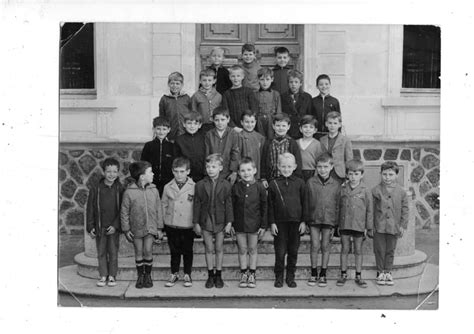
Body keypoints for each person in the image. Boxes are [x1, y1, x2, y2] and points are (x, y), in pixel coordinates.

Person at [121, 161, 164, 289]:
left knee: (148, 250)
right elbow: (124, 212)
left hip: (151, 228)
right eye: (150, 172)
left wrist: (160, 228)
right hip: (136, 229)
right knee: (139, 251)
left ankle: (148, 276)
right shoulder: (129, 192)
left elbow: (159, 209)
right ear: (142, 176)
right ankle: (140, 276)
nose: (153, 173)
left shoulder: (154, 190)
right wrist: (126, 229)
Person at [193, 154, 234, 288]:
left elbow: (229, 204)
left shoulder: (226, 184)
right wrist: (196, 222)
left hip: (220, 220)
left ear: (220, 168)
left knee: (219, 248)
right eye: (208, 167)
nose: (210, 169)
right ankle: (210, 275)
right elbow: (197, 204)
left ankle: (219, 275)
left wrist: (229, 222)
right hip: (206, 220)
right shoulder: (200, 185)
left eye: (214, 167)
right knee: (209, 248)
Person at [268, 153, 306, 288]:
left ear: (295, 166)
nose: (286, 169)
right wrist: (272, 222)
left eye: (289, 166)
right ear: (278, 167)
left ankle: (290, 277)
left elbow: (304, 202)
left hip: (295, 223)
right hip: (280, 224)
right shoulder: (273, 184)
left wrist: (303, 221)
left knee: (293, 251)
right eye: (283, 166)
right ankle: (279, 276)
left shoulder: (300, 183)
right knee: (280, 251)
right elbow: (270, 205)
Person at [86, 158, 124, 287]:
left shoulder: (120, 189)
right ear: (104, 172)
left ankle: (112, 275)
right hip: (100, 226)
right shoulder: (96, 188)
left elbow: (122, 210)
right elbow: (90, 208)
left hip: (113, 227)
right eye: (109, 171)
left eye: (114, 171)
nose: (111, 174)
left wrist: (116, 225)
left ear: (118, 172)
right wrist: (90, 226)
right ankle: (103, 275)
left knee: (113, 252)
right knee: (101, 251)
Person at [304, 153, 341, 287]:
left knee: (325, 246)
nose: (322, 170)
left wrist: (336, 224)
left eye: (325, 166)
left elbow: (338, 205)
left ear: (331, 167)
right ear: (316, 167)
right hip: (314, 219)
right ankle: (314, 273)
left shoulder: (336, 185)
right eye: (319, 167)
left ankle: (323, 273)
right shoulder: (310, 182)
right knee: (315, 245)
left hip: (329, 220)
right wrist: (306, 220)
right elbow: (306, 202)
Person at [230, 157, 267, 288]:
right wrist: (231, 223)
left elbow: (264, 207)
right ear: (239, 172)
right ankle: (243, 273)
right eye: (243, 170)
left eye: (249, 170)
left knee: (252, 249)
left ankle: (252, 273)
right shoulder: (235, 188)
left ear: (255, 170)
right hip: (239, 224)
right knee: (242, 249)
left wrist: (263, 225)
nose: (246, 173)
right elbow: (231, 207)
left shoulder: (260, 187)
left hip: (254, 224)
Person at [337, 159, 373, 288]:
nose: (353, 177)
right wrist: (337, 225)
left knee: (358, 250)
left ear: (362, 175)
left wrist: (368, 227)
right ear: (346, 174)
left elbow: (369, 209)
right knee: (345, 249)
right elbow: (338, 207)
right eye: (351, 174)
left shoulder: (365, 190)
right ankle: (343, 274)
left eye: (356, 174)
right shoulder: (342, 188)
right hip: (345, 223)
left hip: (359, 224)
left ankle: (358, 275)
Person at [372, 161, 409, 286]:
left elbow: (405, 209)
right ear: (380, 174)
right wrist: (371, 225)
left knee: (390, 250)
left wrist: (403, 225)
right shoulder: (376, 190)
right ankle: (380, 272)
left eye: (391, 174)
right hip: (379, 226)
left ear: (396, 175)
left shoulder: (401, 192)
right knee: (379, 250)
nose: (387, 177)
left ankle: (388, 271)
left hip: (394, 226)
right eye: (385, 174)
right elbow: (371, 209)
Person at [161, 157, 196, 288]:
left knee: (187, 250)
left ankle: (187, 273)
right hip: (172, 224)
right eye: (176, 171)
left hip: (187, 224)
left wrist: (196, 222)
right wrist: (162, 224)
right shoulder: (167, 187)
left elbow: (196, 206)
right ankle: (174, 273)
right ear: (172, 171)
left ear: (188, 171)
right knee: (174, 250)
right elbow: (163, 205)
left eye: (182, 171)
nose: (179, 174)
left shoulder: (194, 186)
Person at [261, 113, 303, 186]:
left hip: (289, 178)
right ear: (273, 126)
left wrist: (295, 177)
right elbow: (263, 161)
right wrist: (263, 178)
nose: (280, 128)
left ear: (288, 127)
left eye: (283, 126)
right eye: (278, 125)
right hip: (272, 179)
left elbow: (298, 162)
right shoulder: (268, 143)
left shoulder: (292, 143)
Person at [140, 116, 175, 196]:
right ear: (154, 129)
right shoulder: (148, 146)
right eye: (158, 129)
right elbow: (143, 164)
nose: (161, 132)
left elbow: (174, 165)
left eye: (164, 129)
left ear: (169, 130)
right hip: (151, 182)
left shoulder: (172, 146)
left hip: (168, 182)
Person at [205, 107, 240, 185]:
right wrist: (208, 170)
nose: (220, 123)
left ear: (228, 119)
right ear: (213, 120)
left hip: (228, 172)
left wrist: (234, 172)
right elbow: (207, 153)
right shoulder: (209, 134)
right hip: (213, 171)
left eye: (223, 120)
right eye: (217, 120)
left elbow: (235, 153)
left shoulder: (233, 133)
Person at [320, 111, 353, 184]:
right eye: (330, 123)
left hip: (339, 173)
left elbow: (349, 160)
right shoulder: (322, 140)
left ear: (340, 125)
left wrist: (348, 176)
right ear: (326, 124)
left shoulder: (345, 140)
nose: (332, 126)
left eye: (335, 123)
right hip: (325, 172)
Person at [221, 65, 259, 129]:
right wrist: (234, 127)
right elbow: (225, 113)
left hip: (248, 126)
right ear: (229, 77)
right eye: (233, 76)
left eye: (238, 76)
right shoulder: (226, 94)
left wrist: (249, 123)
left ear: (243, 77)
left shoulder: (249, 92)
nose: (236, 78)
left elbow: (254, 109)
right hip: (233, 128)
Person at [174, 112, 206, 183]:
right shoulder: (179, 140)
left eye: (195, 123)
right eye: (189, 123)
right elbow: (177, 159)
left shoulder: (204, 138)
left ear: (200, 125)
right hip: (186, 176)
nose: (192, 126)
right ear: (184, 124)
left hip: (202, 175)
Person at [159, 71, 192, 141]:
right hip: (171, 132)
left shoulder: (186, 98)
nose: (175, 86)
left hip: (185, 131)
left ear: (182, 85)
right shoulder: (164, 99)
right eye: (172, 83)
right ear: (168, 84)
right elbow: (162, 117)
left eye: (177, 84)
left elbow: (191, 114)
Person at [280, 69, 313, 139]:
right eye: (291, 82)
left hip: (302, 132)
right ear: (288, 83)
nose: (293, 84)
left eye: (296, 82)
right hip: (288, 131)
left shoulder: (307, 97)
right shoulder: (283, 97)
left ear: (301, 83)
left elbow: (310, 116)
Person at [191, 68, 222, 133]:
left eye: (209, 80)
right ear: (200, 81)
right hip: (201, 126)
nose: (207, 83)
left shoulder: (218, 96)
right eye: (204, 80)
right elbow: (193, 111)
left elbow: (221, 111)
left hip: (215, 125)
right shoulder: (196, 96)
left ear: (214, 81)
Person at [311, 74, 341, 139]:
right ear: (317, 86)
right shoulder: (313, 101)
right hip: (316, 134)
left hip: (330, 134)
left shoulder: (334, 101)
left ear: (330, 85)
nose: (324, 86)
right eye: (321, 84)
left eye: (326, 84)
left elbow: (338, 118)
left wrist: (338, 133)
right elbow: (310, 118)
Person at [238, 110, 266, 180]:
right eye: (247, 122)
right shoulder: (238, 137)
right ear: (242, 122)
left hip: (256, 174)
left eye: (252, 122)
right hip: (243, 174)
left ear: (255, 122)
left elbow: (262, 157)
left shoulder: (260, 138)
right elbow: (236, 156)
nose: (250, 125)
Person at [255, 67, 281, 139]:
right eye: (262, 79)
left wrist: (277, 123)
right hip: (259, 121)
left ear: (272, 79)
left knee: (271, 139)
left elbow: (279, 111)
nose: (265, 82)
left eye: (267, 79)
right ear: (258, 80)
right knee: (260, 139)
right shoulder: (255, 94)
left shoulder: (276, 94)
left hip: (271, 121)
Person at [297, 115, 323, 182]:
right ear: (300, 129)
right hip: (297, 172)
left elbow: (319, 161)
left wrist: (316, 174)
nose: (308, 129)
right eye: (305, 127)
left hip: (311, 172)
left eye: (311, 127)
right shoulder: (296, 143)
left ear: (315, 130)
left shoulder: (317, 144)